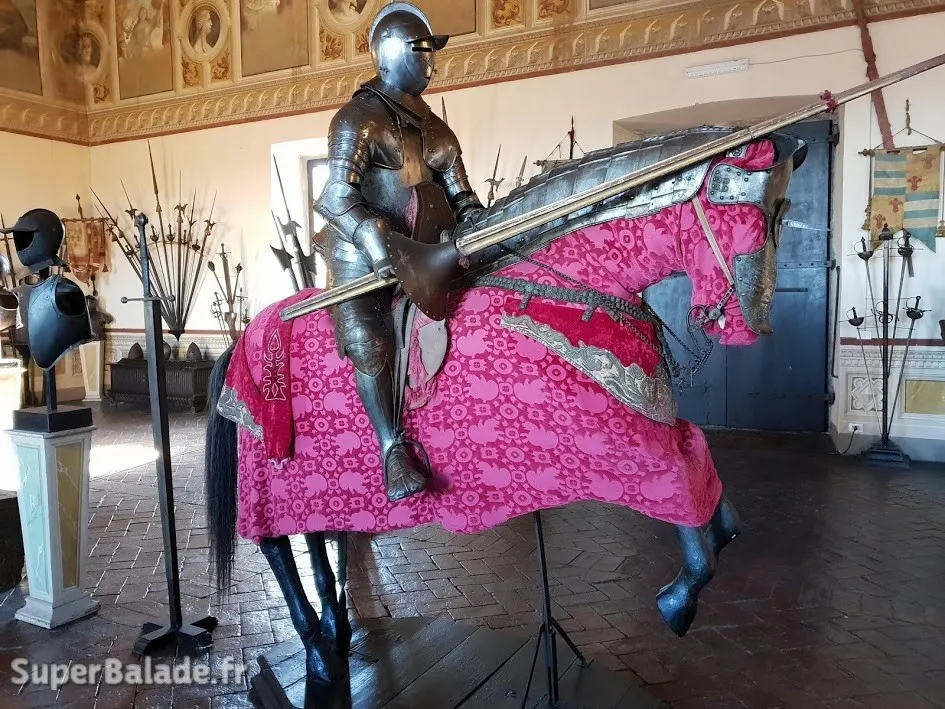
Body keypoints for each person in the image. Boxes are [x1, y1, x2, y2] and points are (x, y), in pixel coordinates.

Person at [315, 2, 483, 503]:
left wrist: (481, 229)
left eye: (432, 52)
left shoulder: (438, 130)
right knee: (369, 343)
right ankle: (391, 448)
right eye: (420, 50)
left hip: (429, 254)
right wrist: (374, 239)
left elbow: (464, 200)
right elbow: (336, 197)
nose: (430, 61)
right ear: (389, 53)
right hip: (362, 261)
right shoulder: (358, 119)